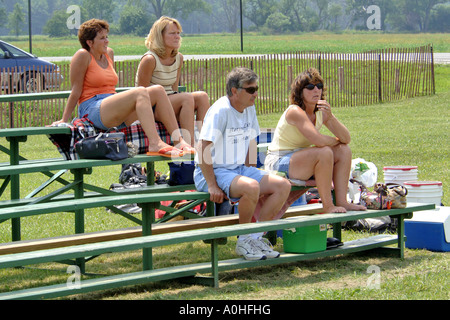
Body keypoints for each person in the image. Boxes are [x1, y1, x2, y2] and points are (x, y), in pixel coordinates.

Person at [50, 18, 194, 157]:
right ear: (89, 42)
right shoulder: (83, 55)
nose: (107, 41)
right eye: (102, 38)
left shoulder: (109, 54)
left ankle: (179, 141)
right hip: (92, 107)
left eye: (107, 36)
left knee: (157, 90)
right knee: (140, 92)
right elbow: (76, 90)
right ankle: (155, 143)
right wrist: (64, 119)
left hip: (111, 104)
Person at [194, 67, 292, 261]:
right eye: (250, 89)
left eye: (256, 89)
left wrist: (251, 170)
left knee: (283, 185)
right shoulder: (221, 110)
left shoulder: (249, 107)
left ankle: (255, 237)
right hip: (212, 171)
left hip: (237, 169)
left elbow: (251, 141)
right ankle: (244, 240)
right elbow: (202, 148)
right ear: (234, 91)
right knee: (251, 187)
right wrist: (212, 184)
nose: (255, 94)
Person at [264, 68, 367, 213]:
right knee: (324, 152)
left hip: (301, 160)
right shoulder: (295, 111)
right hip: (279, 162)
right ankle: (328, 206)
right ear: (300, 91)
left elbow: (346, 138)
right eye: (310, 87)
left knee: (344, 151)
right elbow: (318, 140)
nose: (316, 90)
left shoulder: (321, 112)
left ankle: (343, 201)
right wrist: (336, 141)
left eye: (319, 86)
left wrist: (330, 117)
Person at [136, 16, 210, 145]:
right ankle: (189, 146)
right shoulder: (149, 59)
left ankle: (204, 142)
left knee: (202, 96)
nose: (177, 37)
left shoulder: (178, 58)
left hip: (170, 101)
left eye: (178, 33)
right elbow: (141, 95)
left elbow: (174, 89)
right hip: (153, 107)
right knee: (186, 98)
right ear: (160, 36)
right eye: (172, 33)